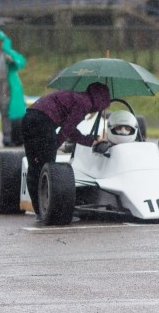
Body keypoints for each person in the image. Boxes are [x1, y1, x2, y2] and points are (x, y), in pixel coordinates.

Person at [22, 82, 111, 222]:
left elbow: (70, 130)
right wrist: (54, 145)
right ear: (99, 101)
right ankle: (49, 211)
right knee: (49, 169)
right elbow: (67, 130)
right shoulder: (85, 103)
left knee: (35, 168)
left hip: (29, 118)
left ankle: (39, 211)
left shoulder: (77, 98)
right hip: (43, 123)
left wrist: (91, 141)